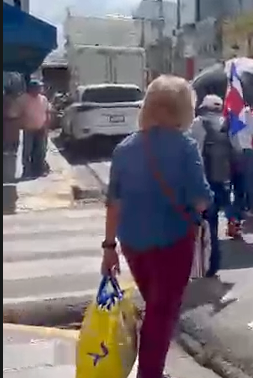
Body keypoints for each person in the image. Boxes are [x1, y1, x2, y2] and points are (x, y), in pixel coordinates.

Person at [101, 75, 212, 378]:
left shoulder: (124, 149)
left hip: (132, 243)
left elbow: (114, 203)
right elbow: (201, 200)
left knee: (155, 305)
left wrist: (108, 248)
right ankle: (149, 373)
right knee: (162, 313)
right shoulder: (185, 147)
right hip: (172, 241)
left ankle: (151, 367)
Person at [190, 95, 237, 273]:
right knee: (213, 224)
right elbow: (238, 148)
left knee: (201, 225)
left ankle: (202, 264)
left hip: (203, 180)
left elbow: (194, 152)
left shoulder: (198, 124)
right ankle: (213, 264)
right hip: (222, 179)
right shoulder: (226, 124)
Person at [19, 79, 51, 178]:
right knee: (27, 151)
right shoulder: (23, 99)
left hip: (41, 128)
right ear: (31, 89)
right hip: (28, 128)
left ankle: (39, 170)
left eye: (40, 88)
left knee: (40, 151)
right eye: (37, 88)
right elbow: (18, 113)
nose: (40, 89)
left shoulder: (43, 99)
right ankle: (27, 171)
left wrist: (47, 124)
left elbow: (47, 111)